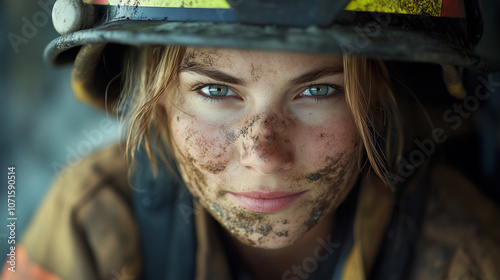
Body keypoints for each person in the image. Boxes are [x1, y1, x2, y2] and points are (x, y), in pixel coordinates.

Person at [2, 0, 500, 279]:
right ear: (156, 103)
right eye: (216, 91)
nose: (263, 155)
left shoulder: (465, 254)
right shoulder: (90, 222)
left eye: (319, 90)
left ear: (377, 98)